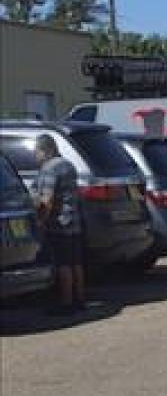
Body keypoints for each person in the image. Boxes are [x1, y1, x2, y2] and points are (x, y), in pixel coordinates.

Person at [32, 134, 86, 315]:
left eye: (37, 152)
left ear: (45, 150)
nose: (35, 156)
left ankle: (66, 303)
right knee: (75, 262)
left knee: (63, 264)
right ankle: (79, 299)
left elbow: (47, 200)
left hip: (59, 223)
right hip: (75, 220)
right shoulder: (68, 165)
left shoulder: (49, 169)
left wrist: (41, 221)